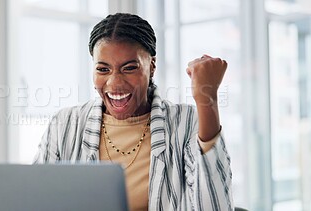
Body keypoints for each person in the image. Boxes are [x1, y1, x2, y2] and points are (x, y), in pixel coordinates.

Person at [33, 13, 233, 211]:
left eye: (129, 68)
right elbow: (35, 201)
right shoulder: (65, 124)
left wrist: (206, 98)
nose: (115, 83)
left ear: (152, 66)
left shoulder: (185, 122)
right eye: (103, 70)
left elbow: (216, 206)